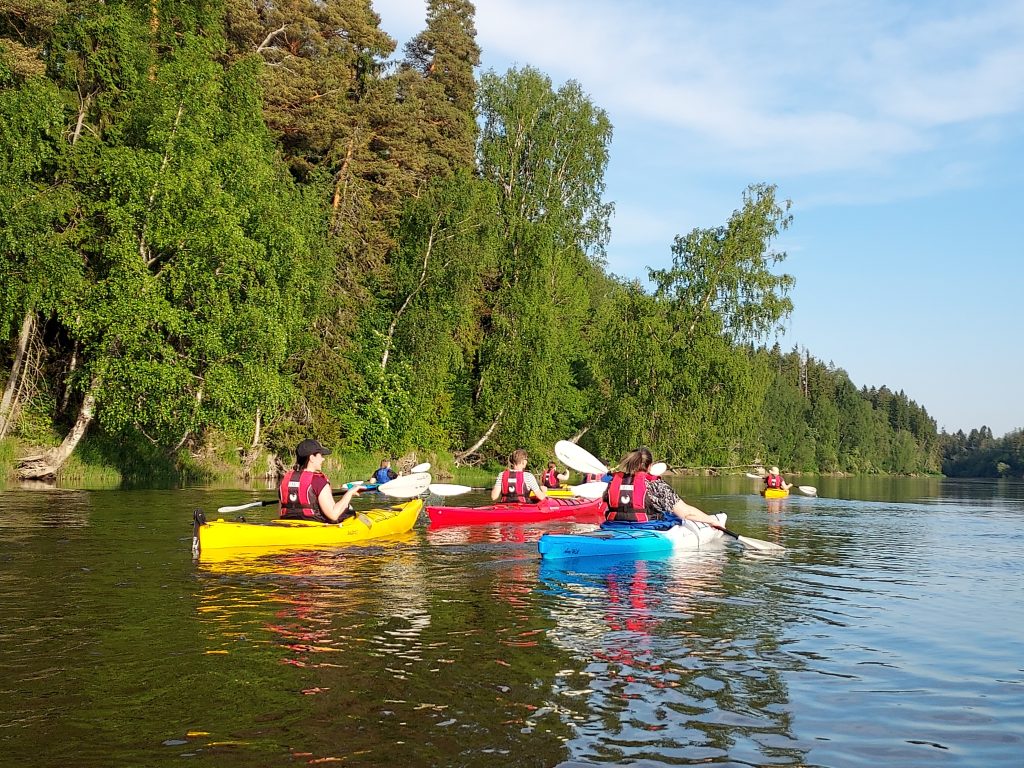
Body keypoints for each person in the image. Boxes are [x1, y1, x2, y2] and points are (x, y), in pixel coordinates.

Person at [603, 446, 721, 526]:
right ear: (650, 466)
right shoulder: (656, 486)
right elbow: (685, 513)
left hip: (614, 527)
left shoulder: (612, 482)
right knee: (672, 517)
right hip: (646, 529)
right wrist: (712, 520)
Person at [280, 439, 362, 523]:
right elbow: (333, 515)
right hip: (314, 525)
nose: (323, 459)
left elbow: (281, 509)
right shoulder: (318, 480)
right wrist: (349, 493)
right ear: (312, 458)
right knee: (348, 508)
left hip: (287, 524)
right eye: (321, 455)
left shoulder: (285, 479)